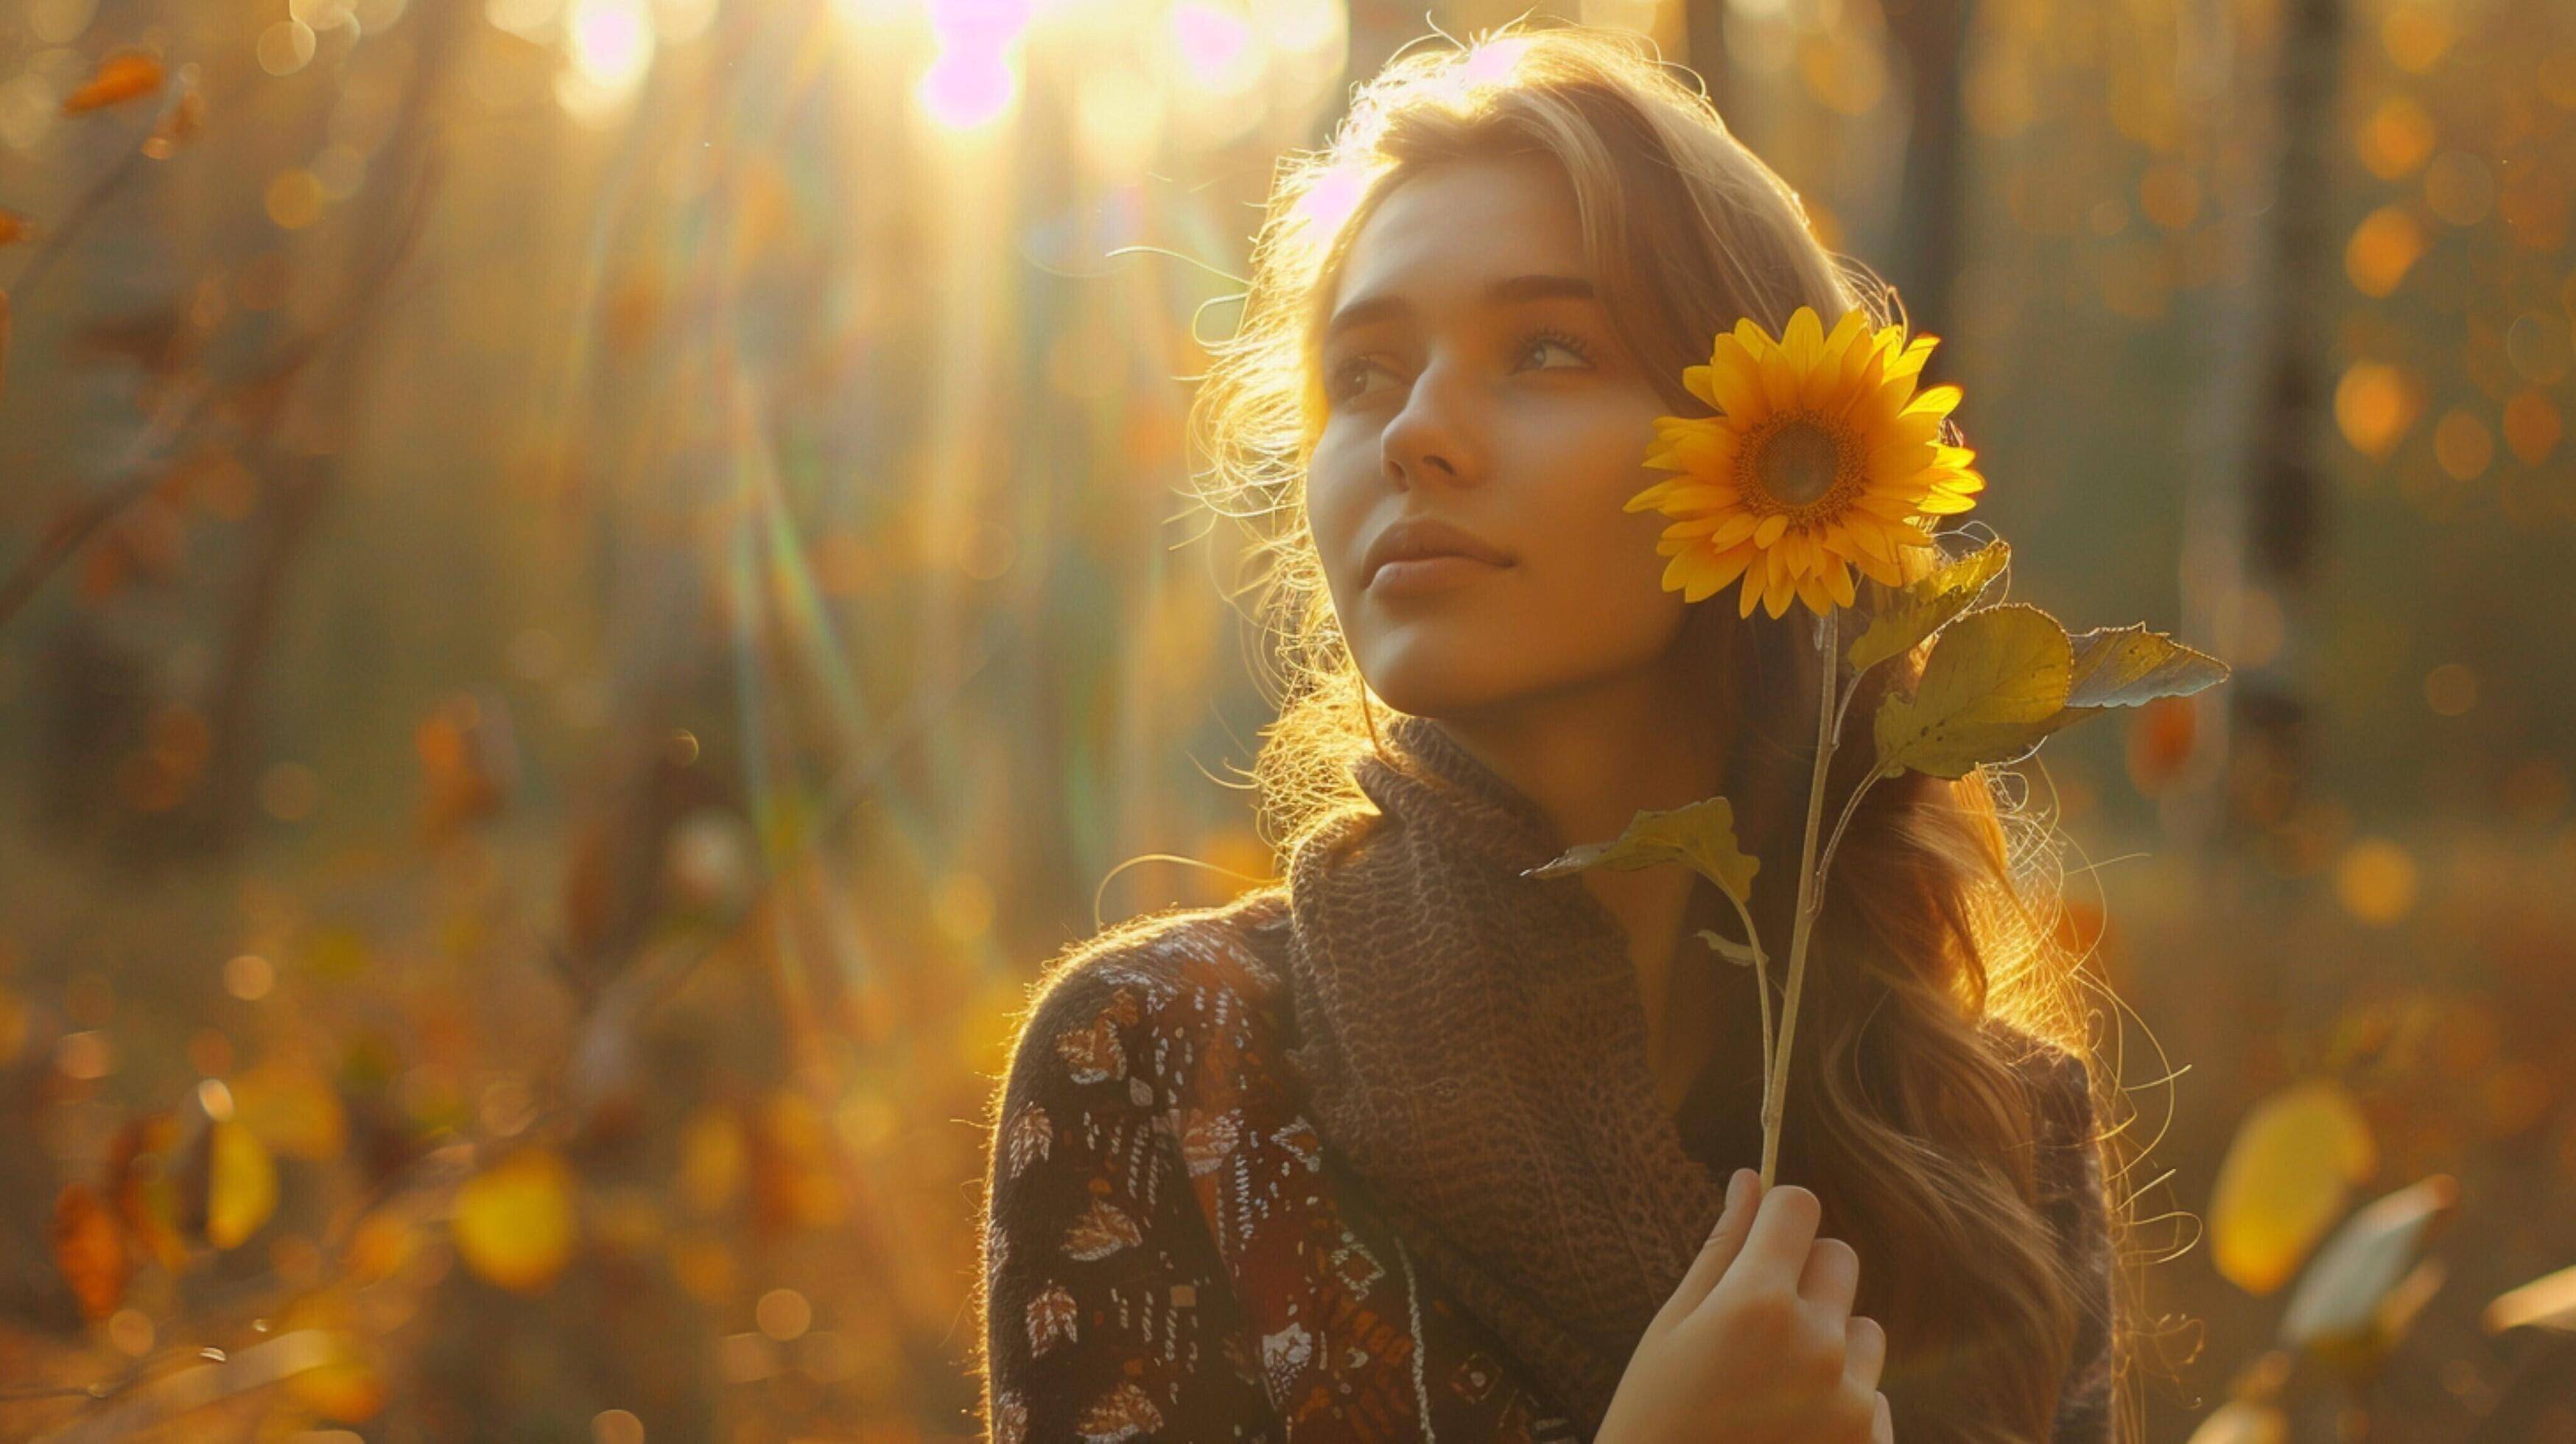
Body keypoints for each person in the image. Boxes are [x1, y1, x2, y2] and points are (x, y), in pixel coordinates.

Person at [975, 21, 2126, 1444]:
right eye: (1368, 372)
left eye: (1546, 349)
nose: (1415, 433)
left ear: (1770, 453)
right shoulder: (1160, 1060)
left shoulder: (1996, 1138)